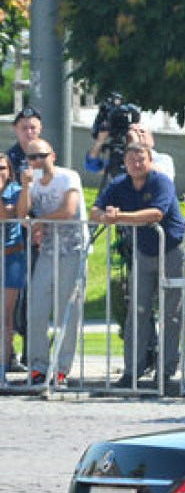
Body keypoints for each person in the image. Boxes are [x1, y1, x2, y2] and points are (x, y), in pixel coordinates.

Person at [91, 143, 185, 394]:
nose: (136, 164)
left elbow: (156, 214)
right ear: (124, 162)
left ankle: (166, 372)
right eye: (131, 159)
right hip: (143, 253)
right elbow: (95, 210)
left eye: (141, 159)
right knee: (138, 312)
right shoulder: (119, 184)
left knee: (171, 314)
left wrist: (118, 216)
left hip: (171, 250)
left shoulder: (161, 181)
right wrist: (105, 215)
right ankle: (132, 370)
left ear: (149, 160)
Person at [16, 140, 87, 387]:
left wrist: (40, 221)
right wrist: (25, 188)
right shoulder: (31, 182)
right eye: (30, 157)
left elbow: (69, 210)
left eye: (40, 156)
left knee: (67, 309)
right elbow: (21, 215)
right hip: (47, 250)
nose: (35, 161)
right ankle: (38, 366)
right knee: (36, 307)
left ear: (52, 156)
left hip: (73, 249)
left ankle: (61, 367)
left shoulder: (68, 177)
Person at [1, 154, 25, 374]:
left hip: (11, 257)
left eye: (1, 169)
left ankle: (4, 363)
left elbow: (7, 214)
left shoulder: (16, 191)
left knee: (6, 316)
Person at [7, 105, 41, 176]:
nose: (29, 132)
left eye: (33, 128)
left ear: (40, 129)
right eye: (24, 128)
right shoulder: (8, 159)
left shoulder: (47, 154)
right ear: (16, 129)